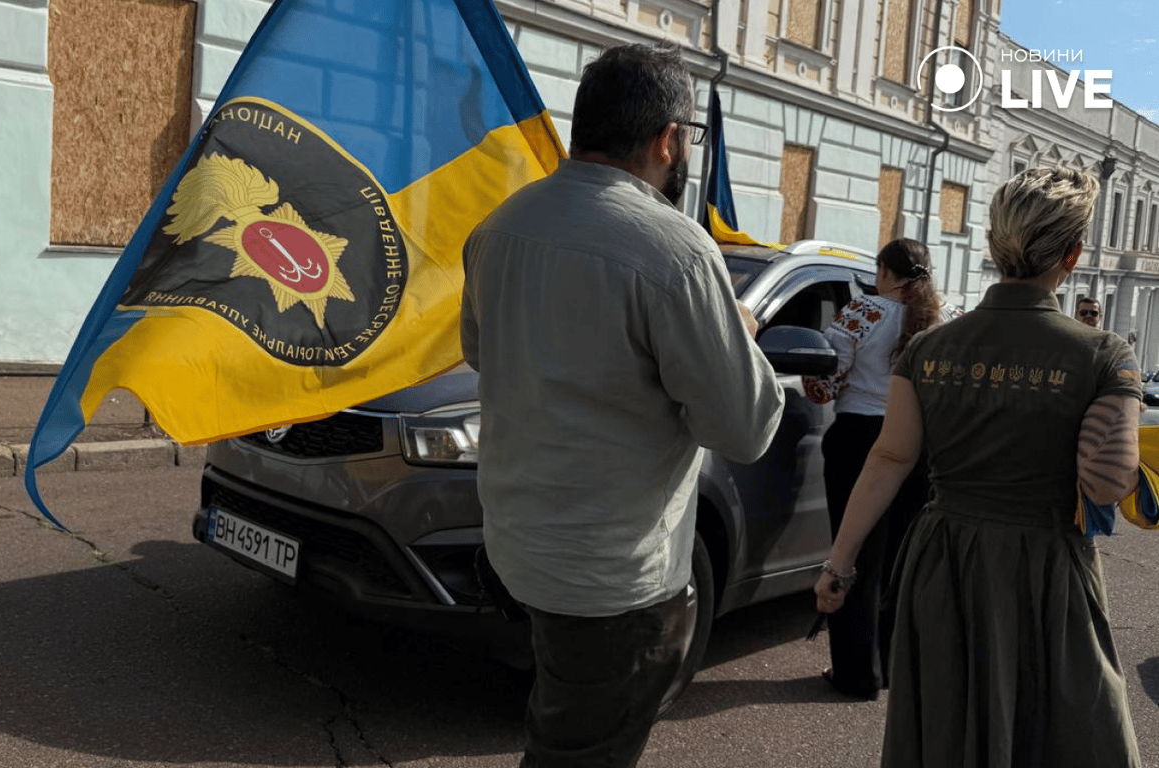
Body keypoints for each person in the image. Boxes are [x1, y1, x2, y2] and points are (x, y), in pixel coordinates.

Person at [461, 43, 785, 768]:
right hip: (614, 581)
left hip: (519, 549)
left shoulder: (498, 227)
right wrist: (735, 334)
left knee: (562, 723)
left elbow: (484, 355)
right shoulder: (676, 251)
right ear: (669, 138)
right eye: (688, 137)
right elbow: (744, 428)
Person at [815, 167, 1143, 767]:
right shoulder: (1103, 353)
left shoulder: (927, 349)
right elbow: (1107, 481)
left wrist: (838, 566)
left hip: (943, 563)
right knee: (1065, 728)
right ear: (1071, 255)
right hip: (1045, 568)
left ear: (994, 245)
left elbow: (889, 458)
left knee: (947, 725)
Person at [801, 238, 958, 700]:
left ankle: (855, 673)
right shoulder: (948, 318)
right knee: (900, 559)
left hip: (860, 440)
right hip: (921, 447)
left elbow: (825, 386)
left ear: (885, 271)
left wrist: (814, 377)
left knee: (855, 554)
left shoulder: (862, 312)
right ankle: (889, 665)